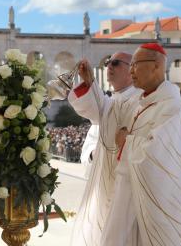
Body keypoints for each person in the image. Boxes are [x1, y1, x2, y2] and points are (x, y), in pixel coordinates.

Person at [72, 43, 181, 245]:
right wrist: (90, 82)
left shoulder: (166, 103)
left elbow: (158, 152)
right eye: (109, 62)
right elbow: (105, 113)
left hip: (150, 193)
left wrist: (126, 142)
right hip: (125, 185)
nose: (131, 70)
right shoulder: (144, 100)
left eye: (133, 64)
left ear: (156, 66)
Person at [68, 52, 141, 243]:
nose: (109, 66)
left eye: (116, 63)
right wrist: (90, 81)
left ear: (132, 69)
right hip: (105, 181)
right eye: (108, 62)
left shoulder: (139, 99)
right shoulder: (113, 99)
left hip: (128, 185)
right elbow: (98, 109)